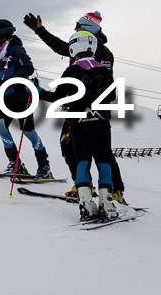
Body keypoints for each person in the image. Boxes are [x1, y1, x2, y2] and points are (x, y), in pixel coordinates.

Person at [23, 10, 126, 203]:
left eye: (77, 25)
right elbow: (60, 46)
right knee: (69, 145)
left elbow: (104, 86)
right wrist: (40, 30)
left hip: (95, 112)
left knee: (102, 152)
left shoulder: (102, 53)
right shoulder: (79, 46)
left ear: (87, 29)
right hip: (76, 110)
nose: (74, 28)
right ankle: (83, 185)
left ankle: (116, 190)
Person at [38, 31, 118, 221]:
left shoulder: (71, 71)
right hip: (101, 123)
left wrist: (37, 90)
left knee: (83, 161)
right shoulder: (104, 71)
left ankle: (86, 204)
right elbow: (112, 96)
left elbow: (57, 97)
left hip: (79, 125)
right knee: (103, 161)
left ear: (74, 48)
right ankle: (107, 203)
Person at [0, 19, 51, 177]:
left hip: (21, 95)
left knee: (28, 131)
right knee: (1, 125)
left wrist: (9, 82)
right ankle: (15, 163)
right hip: (6, 96)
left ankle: (44, 166)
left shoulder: (16, 49)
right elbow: (0, 74)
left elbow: (28, 68)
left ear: (3, 35)